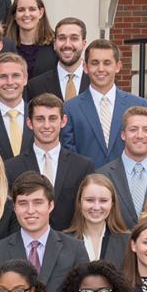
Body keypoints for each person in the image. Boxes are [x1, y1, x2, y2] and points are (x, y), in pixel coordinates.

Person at [0, 172, 79, 292]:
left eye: (38, 202)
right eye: (23, 203)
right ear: (14, 207)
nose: (30, 210)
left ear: (50, 205)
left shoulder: (75, 249)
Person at [8, 94, 92, 231]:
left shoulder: (83, 166)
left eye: (52, 118)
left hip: (71, 240)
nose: (46, 125)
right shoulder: (11, 167)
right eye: (40, 119)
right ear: (29, 123)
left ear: (63, 121)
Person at [63, 40, 147, 165]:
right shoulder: (70, 108)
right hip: (86, 177)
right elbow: (68, 154)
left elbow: (145, 150)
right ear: (85, 67)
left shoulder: (138, 105)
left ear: (118, 66)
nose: (101, 69)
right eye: (95, 63)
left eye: (107, 63)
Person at [101, 106, 147, 220]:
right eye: (133, 129)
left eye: (146, 130)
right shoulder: (102, 175)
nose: (139, 135)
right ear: (123, 135)